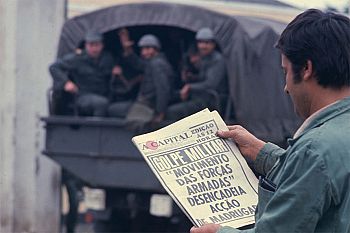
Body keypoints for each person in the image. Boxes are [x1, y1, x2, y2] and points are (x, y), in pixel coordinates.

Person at [190, 9, 350, 233]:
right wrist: (261, 151)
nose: (286, 88)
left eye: (285, 71)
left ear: (306, 69)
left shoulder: (313, 150)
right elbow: (320, 174)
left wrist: (217, 232)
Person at [108, 31, 173, 125]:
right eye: (143, 49)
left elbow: (163, 89)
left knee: (113, 110)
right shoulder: (154, 62)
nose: (144, 52)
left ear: (156, 49)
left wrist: (160, 112)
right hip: (145, 104)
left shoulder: (157, 64)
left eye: (148, 48)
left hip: (149, 106)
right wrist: (128, 50)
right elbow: (139, 64)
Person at [49, 31, 116, 117]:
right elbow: (54, 67)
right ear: (86, 45)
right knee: (101, 103)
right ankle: (96, 129)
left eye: (97, 45)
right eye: (91, 45)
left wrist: (116, 72)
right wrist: (66, 82)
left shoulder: (108, 58)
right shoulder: (77, 59)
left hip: (105, 95)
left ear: (102, 45)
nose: (94, 49)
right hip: (82, 96)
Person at [166, 27, 227, 120]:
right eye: (200, 42)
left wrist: (189, 87)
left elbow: (211, 84)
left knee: (172, 111)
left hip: (211, 99)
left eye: (207, 43)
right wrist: (192, 77)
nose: (203, 46)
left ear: (213, 44)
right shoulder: (206, 58)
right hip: (201, 96)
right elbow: (203, 78)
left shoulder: (217, 60)